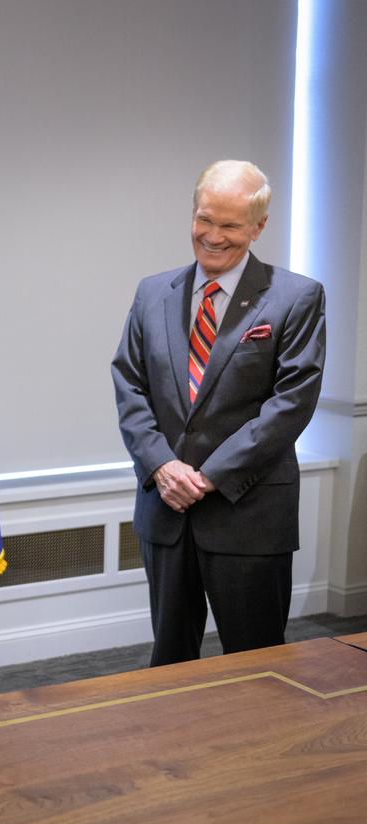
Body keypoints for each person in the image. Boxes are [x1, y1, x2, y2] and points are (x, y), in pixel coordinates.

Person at [112, 160, 326, 667]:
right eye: (204, 219)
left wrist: (207, 478)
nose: (212, 236)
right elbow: (129, 384)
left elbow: (290, 403)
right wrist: (163, 467)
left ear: (258, 226)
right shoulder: (151, 293)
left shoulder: (297, 297)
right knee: (169, 662)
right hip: (165, 510)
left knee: (256, 666)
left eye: (229, 225)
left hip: (247, 513)